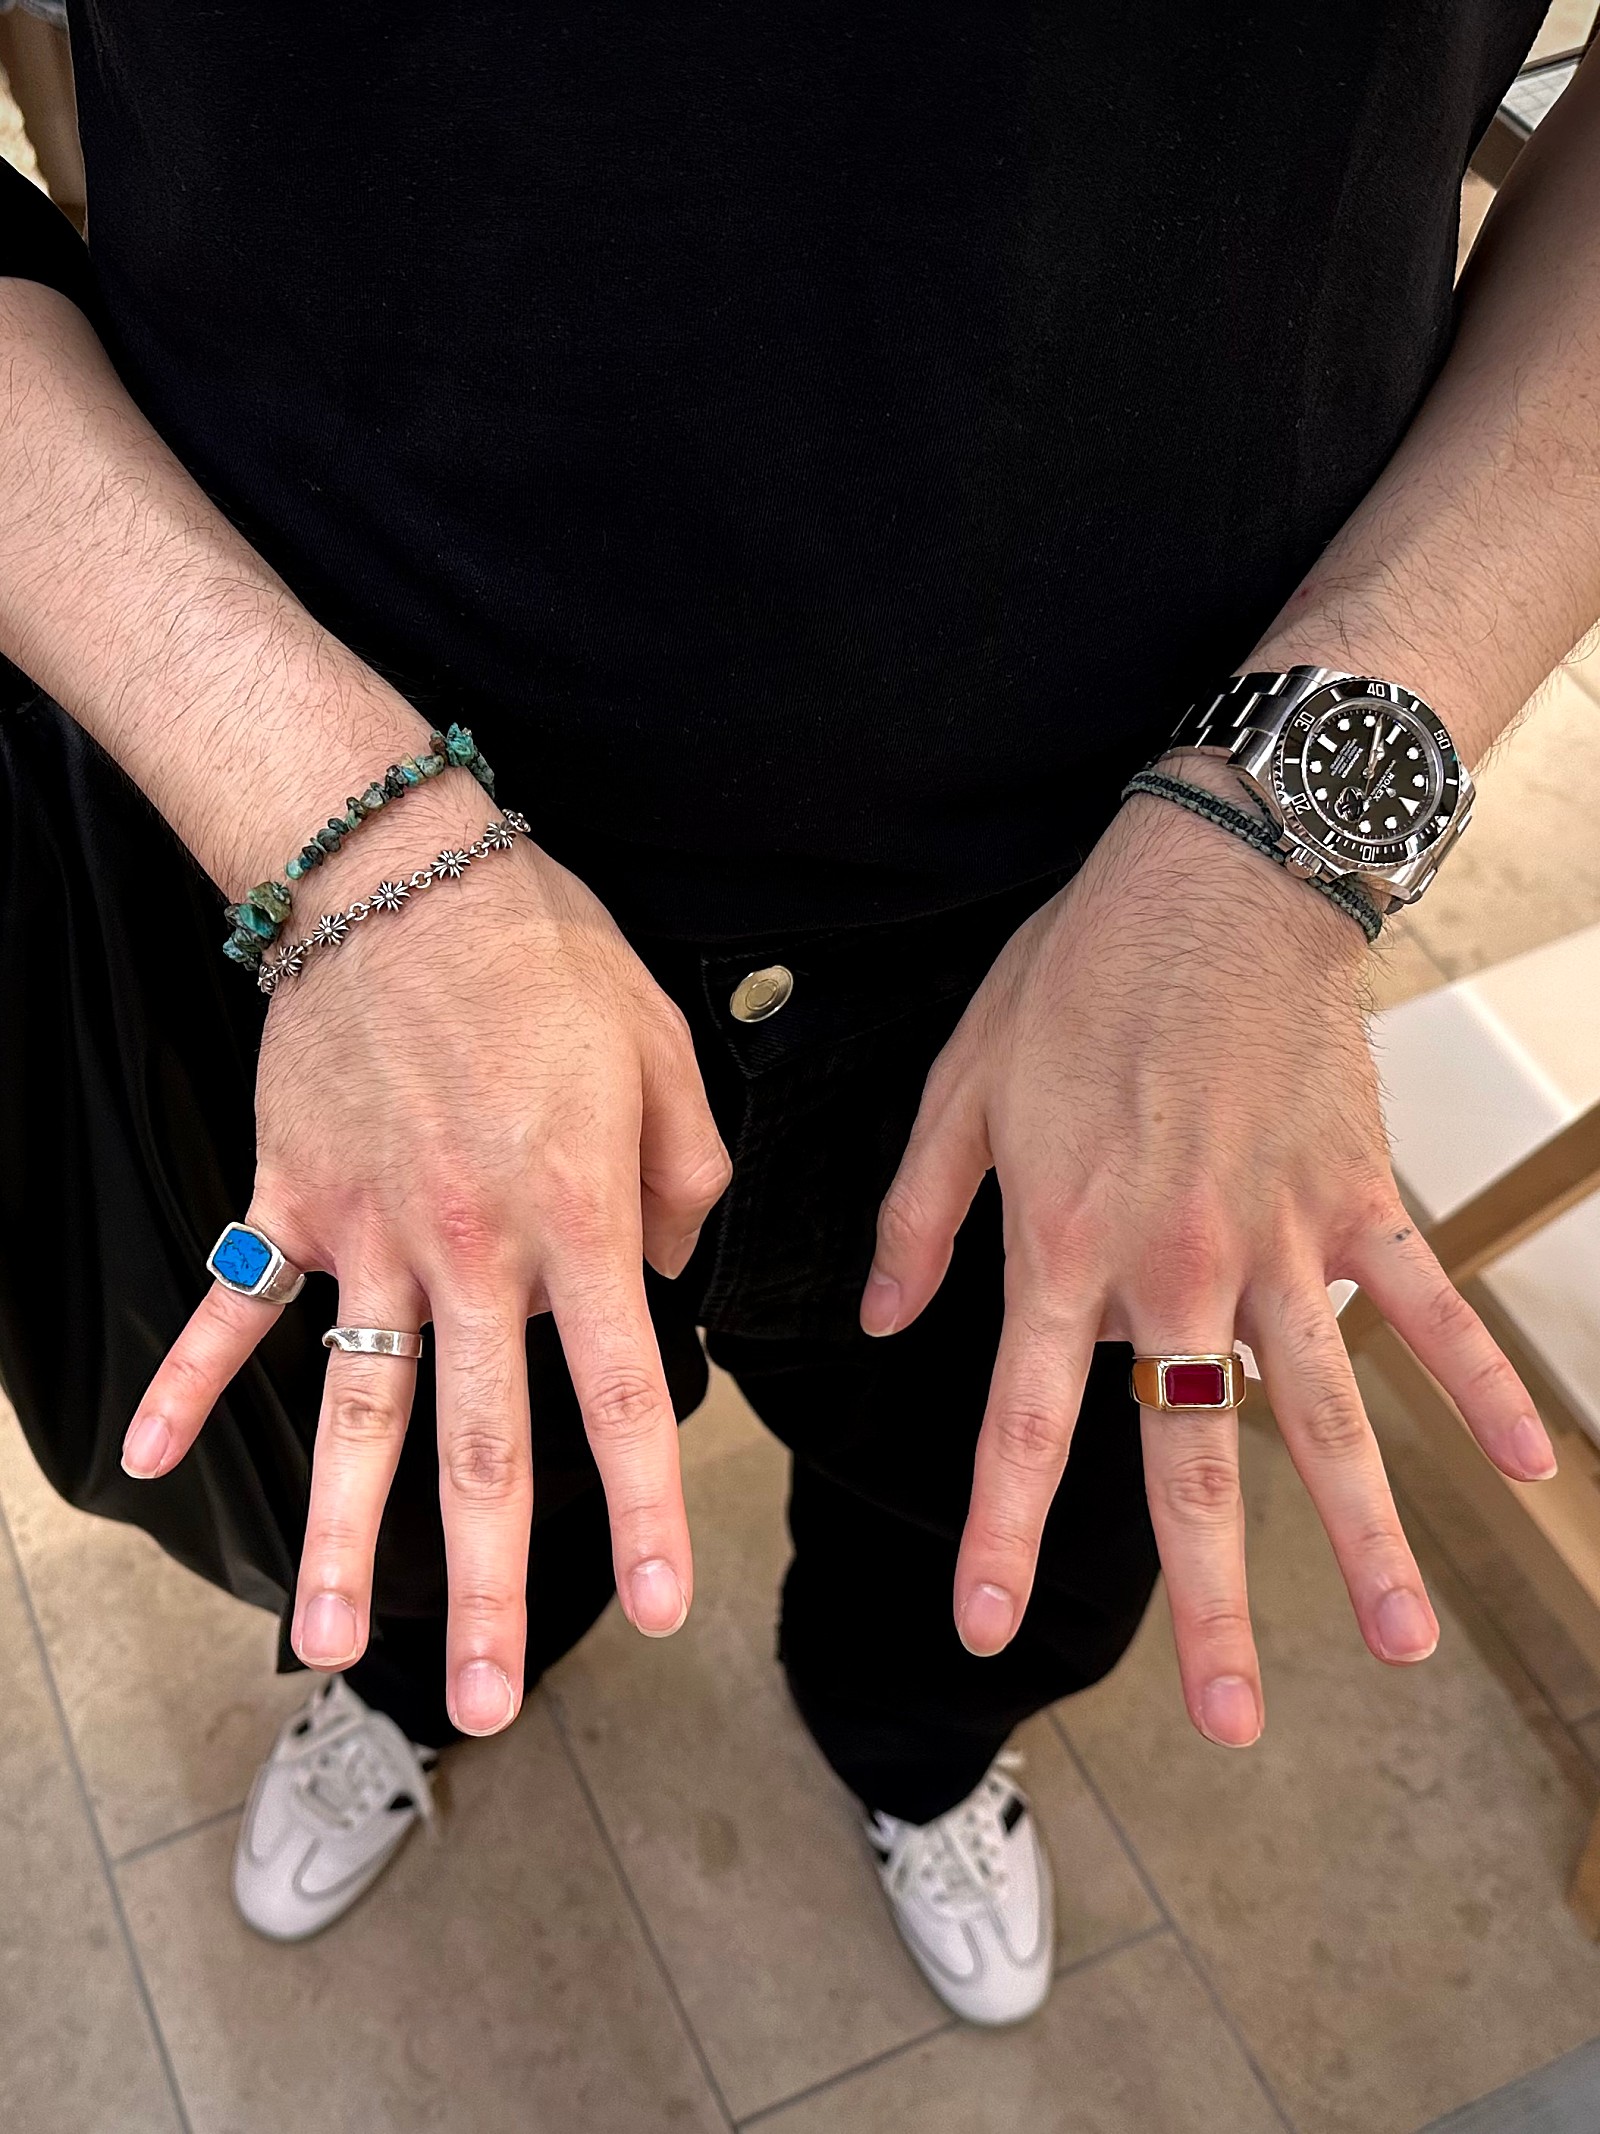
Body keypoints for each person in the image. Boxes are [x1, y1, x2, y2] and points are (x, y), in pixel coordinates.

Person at [0, 4, 1592, 2026]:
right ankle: (413, 1677)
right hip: (321, 836)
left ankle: (914, 1744)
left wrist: (1286, 838)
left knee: (1009, 1515)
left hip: (1129, 879)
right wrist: (318, 820)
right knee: (405, 1480)